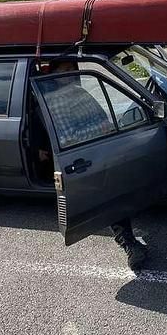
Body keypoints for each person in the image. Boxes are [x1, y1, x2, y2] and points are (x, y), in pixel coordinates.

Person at [36, 59, 149, 271]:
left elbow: (99, 117)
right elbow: (68, 138)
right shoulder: (58, 101)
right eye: (64, 71)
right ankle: (129, 244)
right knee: (112, 189)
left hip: (97, 145)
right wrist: (103, 129)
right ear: (54, 76)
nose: (69, 75)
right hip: (80, 155)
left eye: (72, 70)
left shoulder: (77, 92)